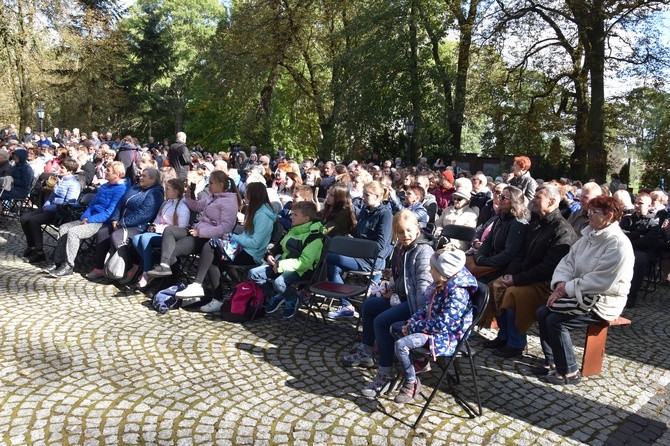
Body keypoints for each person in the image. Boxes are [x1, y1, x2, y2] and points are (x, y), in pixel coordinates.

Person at [532, 195, 634, 384]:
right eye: (589, 212)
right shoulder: (589, 236)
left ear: (609, 215)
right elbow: (568, 262)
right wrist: (561, 283)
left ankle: (570, 371)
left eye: (594, 212)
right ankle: (553, 362)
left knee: (556, 321)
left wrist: (567, 289)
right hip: (579, 294)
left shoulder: (618, 244)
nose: (589, 216)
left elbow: (602, 280)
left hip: (603, 300)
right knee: (542, 312)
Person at [341, 211, 433, 397]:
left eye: (409, 230)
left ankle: (385, 372)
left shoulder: (422, 251)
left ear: (417, 228)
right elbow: (402, 278)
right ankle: (366, 352)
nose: (405, 235)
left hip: (417, 306)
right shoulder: (401, 248)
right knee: (369, 305)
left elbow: (423, 289)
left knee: (382, 322)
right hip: (402, 297)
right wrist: (391, 286)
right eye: (400, 231)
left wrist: (417, 317)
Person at [483, 185, 577, 358]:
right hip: (526, 276)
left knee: (514, 294)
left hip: (546, 283)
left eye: (537, 198)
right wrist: (509, 275)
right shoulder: (536, 223)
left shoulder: (562, 231)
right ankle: (503, 336)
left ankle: (516, 343)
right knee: (495, 285)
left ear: (552, 201)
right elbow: (520, 254)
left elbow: (548, 268)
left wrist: (516, 279)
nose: (532, 200)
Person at [385, 248, 477, 404]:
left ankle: (411, 382)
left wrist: (415, 328)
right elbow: (426, 308)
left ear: (442, 272)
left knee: (401, 344)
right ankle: (420, 360)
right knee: (394, 327)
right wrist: (412, 322)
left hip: (447, 335)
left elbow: (442, 324)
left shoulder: (457, 294)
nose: (429, 270)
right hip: (431, 327)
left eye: (432, 269)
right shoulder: (443, 284)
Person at [173, 181, 275, 312]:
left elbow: (256, 242)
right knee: (211, 252)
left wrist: (234, 237)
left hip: (252, 255)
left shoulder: (262, 215)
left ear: (253, 195)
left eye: (246, 193)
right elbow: (248, 236)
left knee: (211, 246)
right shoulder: (255, 210)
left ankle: (205, 289)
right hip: (245, 249)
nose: (244, 195)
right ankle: (211, 294)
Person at [147, 171, 241, 288]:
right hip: (197, 231)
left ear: (220, 185)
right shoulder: (212, 197)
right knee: (170, 230)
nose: (209, 185)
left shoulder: (229, 202)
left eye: (211, 183)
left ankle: (171, 282)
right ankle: (164, 265)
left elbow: (225, 228)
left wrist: (200, 232)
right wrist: (188, 195)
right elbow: (196, 206)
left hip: (208, 238)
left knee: (172, 250)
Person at [42, 161, 129, 277]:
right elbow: (92, 204)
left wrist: (90, 220)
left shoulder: (121, 190)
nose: (105, 172)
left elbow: (109, 212)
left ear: (117, 174)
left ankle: (68, 265)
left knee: (73, 232)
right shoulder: (104, 186)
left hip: (101, 222)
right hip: (89, 218)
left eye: (108, 170)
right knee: (64, 228)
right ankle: (57, 262)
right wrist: (85, 216)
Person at [326, 181, 393, 319]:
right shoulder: (365, 210)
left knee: (330, 257)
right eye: (363, 193)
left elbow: (380, 245)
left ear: (378, 196)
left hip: (371, 260)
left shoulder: (385, 215)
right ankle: (346, 304)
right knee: (332, 264)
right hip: (357, 254)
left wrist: (357, 246)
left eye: (366, 195)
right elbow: (357, 233)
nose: (362, 197)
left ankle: (346, 302)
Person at [85, 168, 164, 282]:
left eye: (144, 176)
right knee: (102, 233)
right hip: (120, 222)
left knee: (117, 236)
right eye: (141, 175)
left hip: (139, 226)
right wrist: (114, 219)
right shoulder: (135, 188)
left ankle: (131, 267)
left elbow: (144, 214)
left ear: (153, 180)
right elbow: (120, 204)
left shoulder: (155, 193)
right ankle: (100, 267)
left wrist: (122, 223)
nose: (140, 177)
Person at [252, 201, 325, 318]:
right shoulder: (294, 230)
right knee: (254, 274)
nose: (291, 217)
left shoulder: (315, 237)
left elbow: (305, 263)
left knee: (279, 282)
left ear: (306, 219)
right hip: (283, 265)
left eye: (295, 215)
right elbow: (280, 246)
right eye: (292, 214)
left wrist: (281, 265)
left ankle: (291, 299)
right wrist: (269, 254)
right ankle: (279, 295)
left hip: (304, 271)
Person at [130, 179, 191, 288]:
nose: (165, 191)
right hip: (158, 233)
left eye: (167, 189)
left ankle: (147, 273)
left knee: (144, 238)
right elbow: (158, 219)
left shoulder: (182, 207)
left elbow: (181, 229)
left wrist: (159, 229)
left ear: (176, 191)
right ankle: (152, 264)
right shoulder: (166, 203)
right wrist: (153, 227)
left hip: (170, 238)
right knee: (135, 238)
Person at [20, 157, 82, 263]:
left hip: (60, 212)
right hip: (49, 208)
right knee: (24, 218)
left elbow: (69, 203)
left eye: (62, 168)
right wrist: (46, 205)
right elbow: (52, 196)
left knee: (33, 220)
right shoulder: (60, 179)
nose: (59, 169)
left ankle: (39, 253)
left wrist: (50, 207)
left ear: (70, 171)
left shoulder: (74, 184)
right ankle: (32, 247)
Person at [466, 186, 529, 282]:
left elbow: (508, 254)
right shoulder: (500, 218)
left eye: (503, 198)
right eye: (500, 196)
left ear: (513, 202)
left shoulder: (517, 224)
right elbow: (488, 242)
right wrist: (480, 256)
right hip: (489, 260)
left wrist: (484, 261)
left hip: (500, 268)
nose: (499, 199)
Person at [620, 192, 659, 308]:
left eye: (640, 203)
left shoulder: (653, 222)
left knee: (638, 261)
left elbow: (648, 241)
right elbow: (621, 234)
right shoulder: (627, 219)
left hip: (643, 253)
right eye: (635, 202)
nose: (636, 205)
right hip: (626, 249)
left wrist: (631, 237)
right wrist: (637, 235)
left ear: (649, 205)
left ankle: (631, 295)